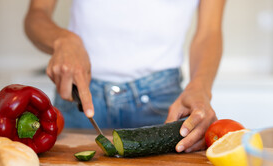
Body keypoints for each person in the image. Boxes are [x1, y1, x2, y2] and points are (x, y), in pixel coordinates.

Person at [24, 0, 226, 153]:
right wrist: (63, 40)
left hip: (162, 99)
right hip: (78, 93)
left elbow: (209, 31)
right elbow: (36, 14)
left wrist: (201, 86)